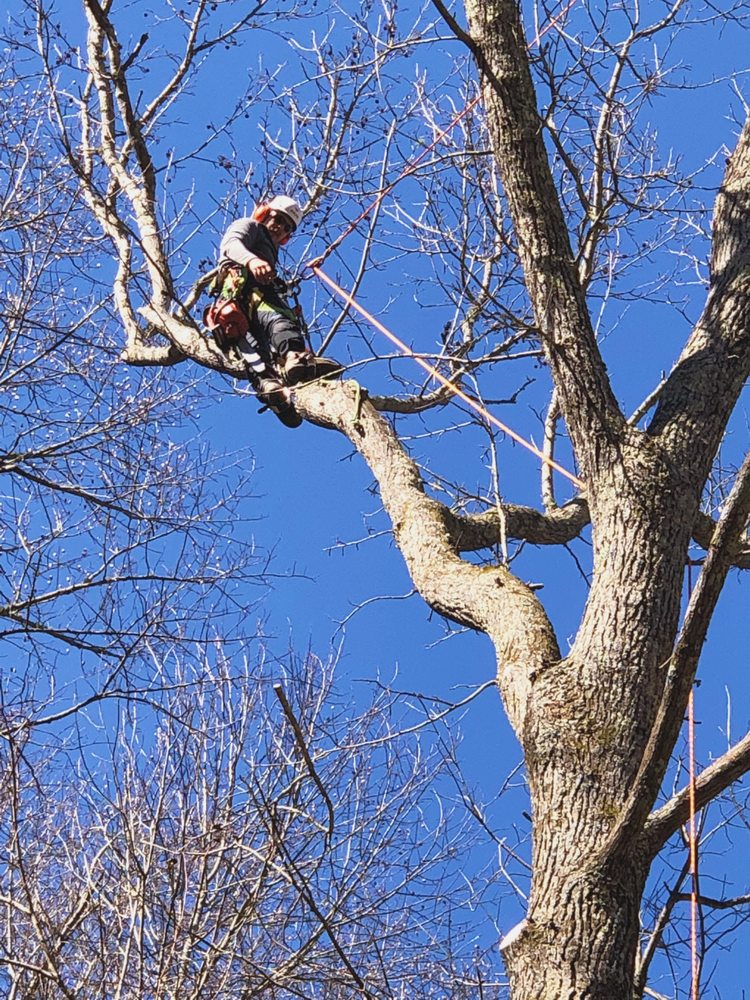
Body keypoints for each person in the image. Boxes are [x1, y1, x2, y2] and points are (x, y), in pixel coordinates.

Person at [205, 195, 340, 427]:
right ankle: (294, 357)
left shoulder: (271, 250)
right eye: (278, 219)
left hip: (245, 302)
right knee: (278, 319)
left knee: (256, 349)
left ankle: (274, 392)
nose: (280, 228)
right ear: (265, 214)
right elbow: (230, 245)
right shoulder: (251, 226)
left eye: (287, 227)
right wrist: (251, 261)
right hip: (245, 291)